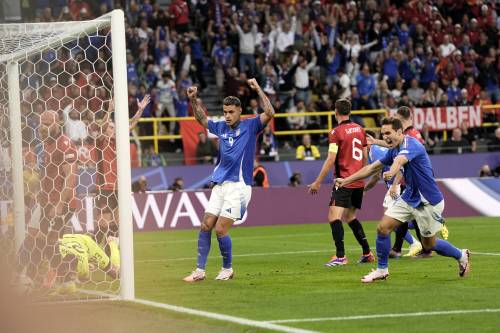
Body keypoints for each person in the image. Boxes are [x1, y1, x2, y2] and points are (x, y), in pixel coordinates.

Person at [335, 117, 470, 283]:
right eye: (383, 133)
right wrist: (345, 180)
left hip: (428, 200)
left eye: (388, 133)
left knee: (429, 245)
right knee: (383, 228)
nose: (385, 137)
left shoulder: (410, 144)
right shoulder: (394, 148)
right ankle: (382, 270)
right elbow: (371, 168)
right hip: (409, 196)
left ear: (399, 132)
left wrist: (391, 172)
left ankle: (461, 255)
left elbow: (399, 161)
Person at [183, 78, 275, 282]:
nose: (227, 116)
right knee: (206, 224)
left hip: (239, 186)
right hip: (221, 184)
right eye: (225, 112)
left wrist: (258, 89)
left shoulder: (251, 126)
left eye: (231, 112)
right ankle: (199, 270)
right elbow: (202, 120)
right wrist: (193, 100)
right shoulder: (221, 128)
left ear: (240, 111)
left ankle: (227, 269)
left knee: (220, 228)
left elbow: (270, 113)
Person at [308, 99, 374, 267]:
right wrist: (361, 176)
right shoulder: (360, 129)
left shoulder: (336, 132)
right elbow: (366, 156)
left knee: (333, 217)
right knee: (350, 216)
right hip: (358, 180)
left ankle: (340, 256)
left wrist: (318, 182)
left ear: (335, 112)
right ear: (349, 111)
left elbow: (331, 159)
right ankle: (367, 252)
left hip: (343, 181)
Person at [363, 130, 422, 258]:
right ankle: (419, 224)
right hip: (396, 185)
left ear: (367, 140)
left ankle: (413, 244)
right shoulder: (374, 151)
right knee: (398, 219)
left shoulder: (375, 151)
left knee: (389, 218)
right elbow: (378, 174)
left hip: (397, 185)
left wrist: (395, 185)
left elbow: (395, 167)